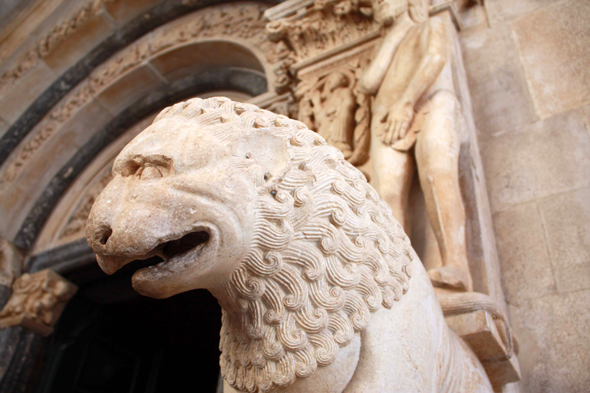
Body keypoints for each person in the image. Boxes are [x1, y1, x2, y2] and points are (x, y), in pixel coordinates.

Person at [359, 0, 473, 291]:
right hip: (387, 117)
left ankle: (457, 264)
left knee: (438, 173)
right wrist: (397, 30)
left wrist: (407, 102)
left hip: (429, 101)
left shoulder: (432, 25)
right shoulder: (393, 38)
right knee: (387, 194)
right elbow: (369, 82)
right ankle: (399, 278)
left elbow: (435, 59)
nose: (379, 4)